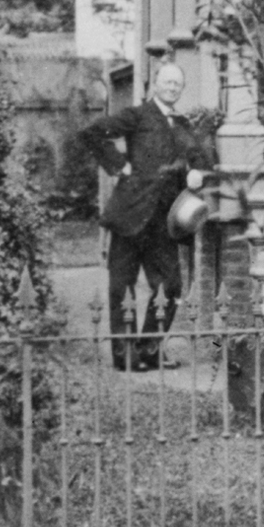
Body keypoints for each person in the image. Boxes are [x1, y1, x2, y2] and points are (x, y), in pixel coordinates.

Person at [84, 55, 208, 368]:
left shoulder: (183, 125)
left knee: (171, 286)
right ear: (155, 84)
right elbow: (93, 133)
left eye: (178, 84)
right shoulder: (137, 116)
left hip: (164, 222)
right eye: (167, 82)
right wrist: (119, 166)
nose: (173, 88)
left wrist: (198, 173)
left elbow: (204, 157)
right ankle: (125, 357)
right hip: (129, 215)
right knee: (122, 287)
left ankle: (150, 350)